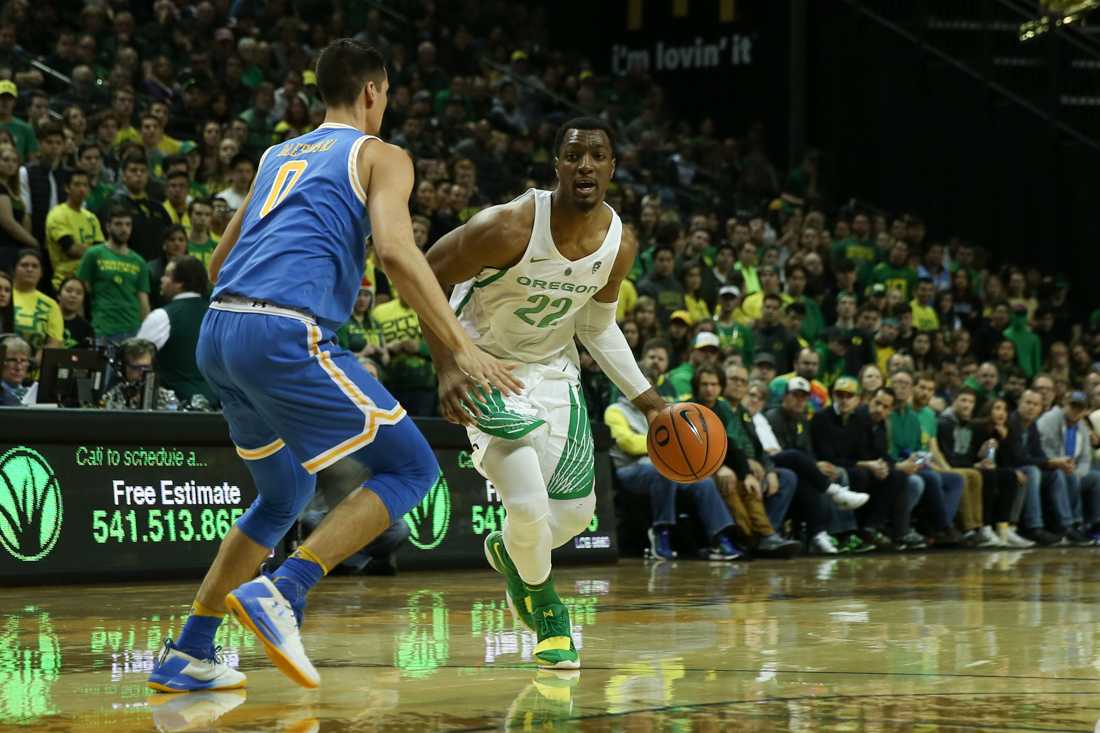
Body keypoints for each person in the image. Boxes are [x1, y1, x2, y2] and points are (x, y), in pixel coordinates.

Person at [148, 40, 518, 694]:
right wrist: (460, 345)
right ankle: (287, 586)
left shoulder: (276, 155)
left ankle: (190, 649)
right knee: (413, 466)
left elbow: (213, 268)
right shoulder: (382, 154)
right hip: (284, 331)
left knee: (283, 494)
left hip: (219, 329)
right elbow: (400, 252)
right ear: (375, 92)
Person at [421, 116, 668, 670]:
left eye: (597, 156)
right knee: (529, 505)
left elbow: (597, 326)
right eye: (574, 156)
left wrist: (650, 403)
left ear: (612, 167)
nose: (585, 166)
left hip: (555, 374)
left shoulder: (619, 245)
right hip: (486, 367)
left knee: (576, 518)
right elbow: (425, 272)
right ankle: (550, 613)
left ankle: (511, 555)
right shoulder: (507, 226)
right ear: (557, 165)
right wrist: (450, 361)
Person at [606, 365, 741, 562]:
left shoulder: (663, 411)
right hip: (629, 470)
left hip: (665, 468)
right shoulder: (615, 410)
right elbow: (627, 443)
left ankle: (720, 538)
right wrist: (665, 447)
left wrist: (671, 448)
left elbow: (684, 441)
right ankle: (661, 533)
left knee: (704, 482)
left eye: (647, 387)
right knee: (660, 471)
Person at [136, 255, 215, 407]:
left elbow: (135, 360)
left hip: (175, 410)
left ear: (179, 283)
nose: (162, 280)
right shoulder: (216, 316)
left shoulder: (162, 316)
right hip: (217, 407)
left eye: (167, 275)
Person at [76, 206, 150, 343]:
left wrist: (146, 332)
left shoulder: (139, 261)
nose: (124, 229)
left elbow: (143, 300)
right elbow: (81, 291)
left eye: (128, 224)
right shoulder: (93, 254)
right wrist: (81, 327)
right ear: (108, 227)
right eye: (118, 224)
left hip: (133, 329)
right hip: (103, 328)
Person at [46, 170, 104, 290]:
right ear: (67, 188)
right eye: (77, 185)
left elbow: (102, 253)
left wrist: (86, 249)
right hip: (64, 283)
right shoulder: (58, 214)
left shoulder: (91, 218)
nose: (82, 189)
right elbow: (72, 250)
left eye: (85, 185)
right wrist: (93, 249)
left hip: (90, 283)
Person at [101, 337, 179, 410]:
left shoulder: (166, 399)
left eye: (146, 367)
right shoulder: (111, 398)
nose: (142, 372)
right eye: (136, 368)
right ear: (123, 369)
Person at [10, 249, 62, 357]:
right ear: (14, 269)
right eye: (24, 265)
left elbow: (55, 342)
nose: (30, 269)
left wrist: (35, 362)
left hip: (35, 368)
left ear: (41, 273)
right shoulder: (4, 294)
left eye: (35, 266)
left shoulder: (51, 305)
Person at [56, 276, 94, 348]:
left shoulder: (86, 328)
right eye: (69, 291)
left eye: (79, 293)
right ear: (58, 295)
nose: (73, 295)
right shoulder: (46, 320)